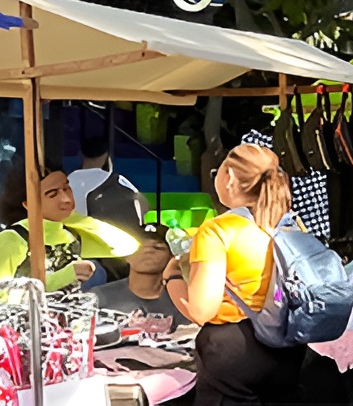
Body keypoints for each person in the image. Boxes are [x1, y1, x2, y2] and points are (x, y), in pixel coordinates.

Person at [163, 143, 303, 406]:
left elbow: (201, 310)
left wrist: (171, 279)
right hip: (288, 348)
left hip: (234, 351)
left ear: (228, 179)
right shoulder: (289, 225)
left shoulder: (218, 231)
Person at [0, 165, 138, 290]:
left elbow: (127, 246)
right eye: (53, 194)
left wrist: (75, 218)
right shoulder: (12, 240)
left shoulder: (70, 235)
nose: (66, 198)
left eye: (67, 188)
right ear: (28, 204)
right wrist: (65, 276)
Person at [94, 226, 189, 325]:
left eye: (158, 247)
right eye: (139, 247)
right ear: (125, 256)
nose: (148, 250)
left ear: (172, 256)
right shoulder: (97, 298)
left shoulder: (185, 297)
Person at [71, 128, 148, 233]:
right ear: (107, 156)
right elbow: (142, 204)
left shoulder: (67, 182)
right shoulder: (117, 180)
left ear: (81, 154)